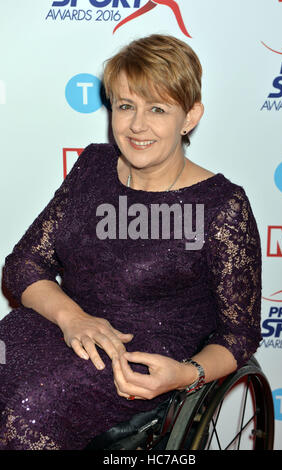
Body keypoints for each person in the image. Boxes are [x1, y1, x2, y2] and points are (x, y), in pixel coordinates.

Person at [0, 34, 262, 450]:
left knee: (30, 409)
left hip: (135, 359)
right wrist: (72, 318)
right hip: (60, 327)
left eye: (157, 109)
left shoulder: (222, 206)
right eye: (126, 106)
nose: (137, 125)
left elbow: (239, 336)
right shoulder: (93, 167)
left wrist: (184, 373)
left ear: (190, 116)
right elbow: (25, 262)